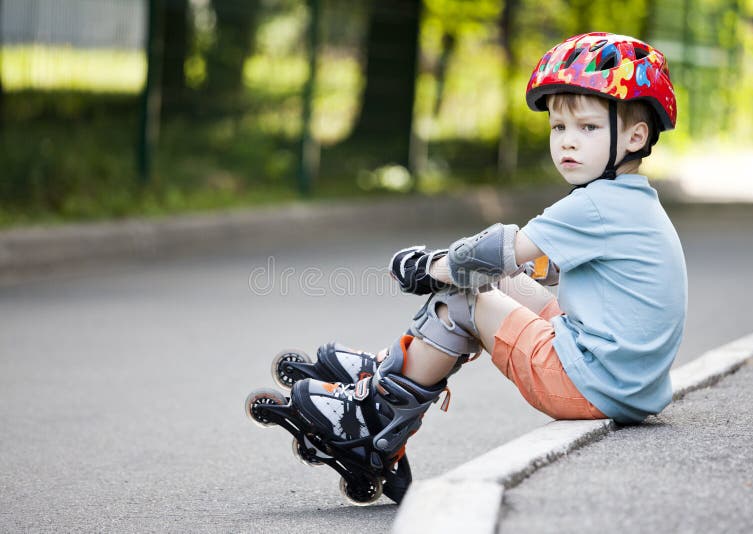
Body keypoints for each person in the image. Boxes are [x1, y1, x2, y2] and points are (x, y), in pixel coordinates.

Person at [287, 32, 687, 476]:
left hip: (590, 385)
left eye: (587, 127)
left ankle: (373, 420)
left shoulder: (595, 204)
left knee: (467, 295)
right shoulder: (632, 200)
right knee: (496, 281)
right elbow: (545, 268)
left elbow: (502, 251)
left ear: (635, 136)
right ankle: (394, 368)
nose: (567, 142)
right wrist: (474, 269)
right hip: (628, 384)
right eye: (559, 127)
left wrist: (432, 267)